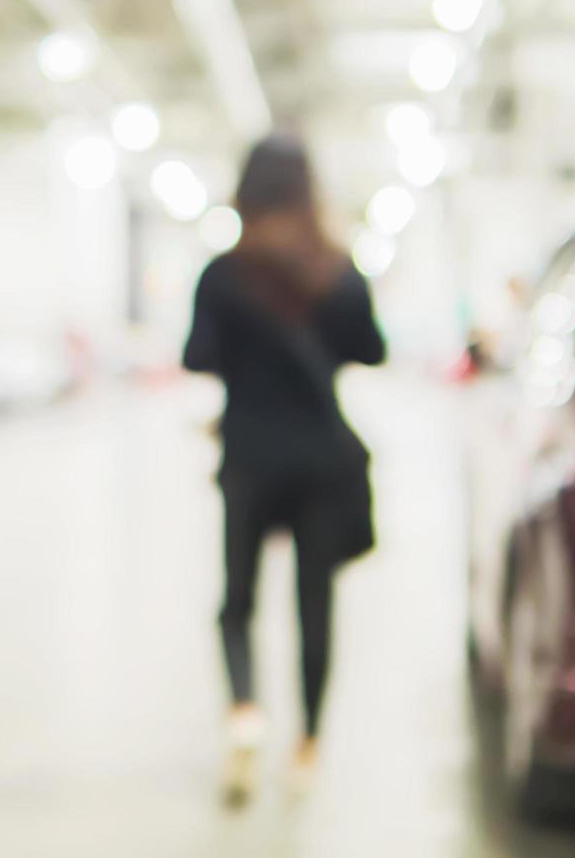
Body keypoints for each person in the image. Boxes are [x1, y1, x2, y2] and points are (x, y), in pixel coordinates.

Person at [183, 133, 386, 808]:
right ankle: (307, 747)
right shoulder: (336, 269)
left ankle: (245, 715)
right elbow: (372, 349)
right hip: (322, 460)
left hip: (249, 454)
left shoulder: (223, 275)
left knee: (237, 601)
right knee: (314, 603)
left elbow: (198, 356)